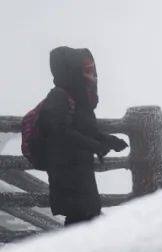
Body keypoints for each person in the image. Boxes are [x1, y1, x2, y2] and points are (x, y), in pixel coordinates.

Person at [39, 47, 128, 226]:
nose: (93, 75)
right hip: (66, 173)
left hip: (79, 171)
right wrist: (96, 146)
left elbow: (83, 130)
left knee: (86, 218)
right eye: (87, 70)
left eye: (93, 70)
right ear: (72, 72)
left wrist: (108, 140)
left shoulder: (78, 98)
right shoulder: (59, 96)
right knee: (79, 221)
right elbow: (61, 133)